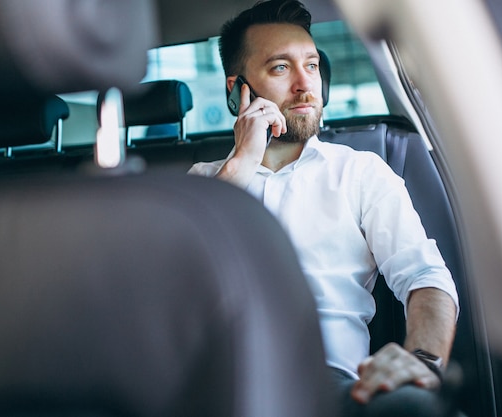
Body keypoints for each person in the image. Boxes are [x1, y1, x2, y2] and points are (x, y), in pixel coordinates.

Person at [189, 0, 460, 415]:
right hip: (211, 386)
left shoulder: (361, 173)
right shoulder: (204, 183)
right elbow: (178, 285)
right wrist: (241, 164)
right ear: (237, 90)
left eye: (312, 66)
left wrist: (421, 360)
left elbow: (425, 277)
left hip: (326, 387)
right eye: (281, 68)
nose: (305, 85)